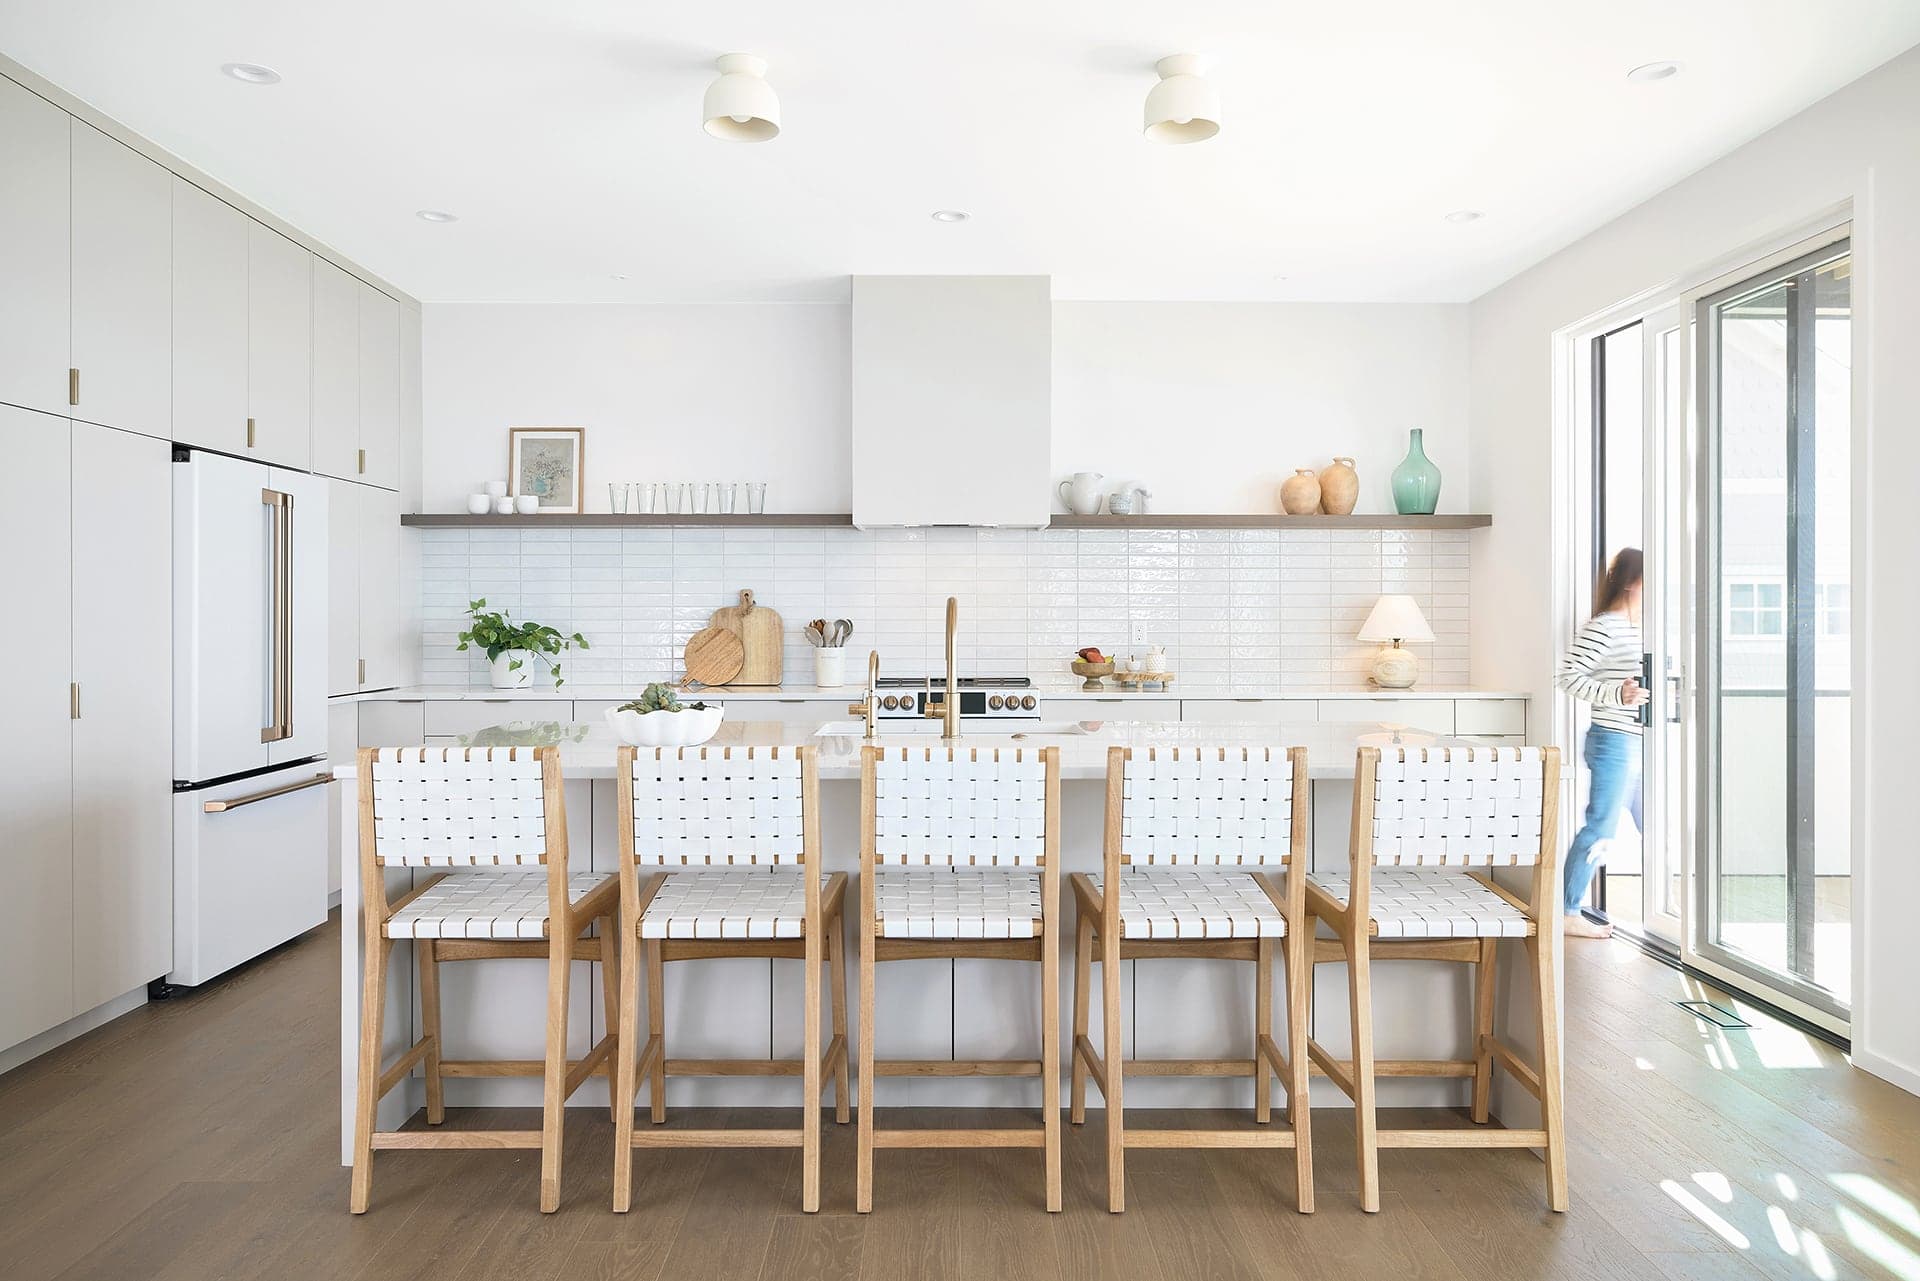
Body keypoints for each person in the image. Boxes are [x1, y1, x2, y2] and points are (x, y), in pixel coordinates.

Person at [1556, 548, 1647, 938]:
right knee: (1600, 828)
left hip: (1639, 742)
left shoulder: (1637, 628)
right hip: (1613, 741)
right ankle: (1566, 911)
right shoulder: (1605, 627)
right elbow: (1566, 675)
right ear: (1632, 583)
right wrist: (1617, 695)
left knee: (1655, 823)